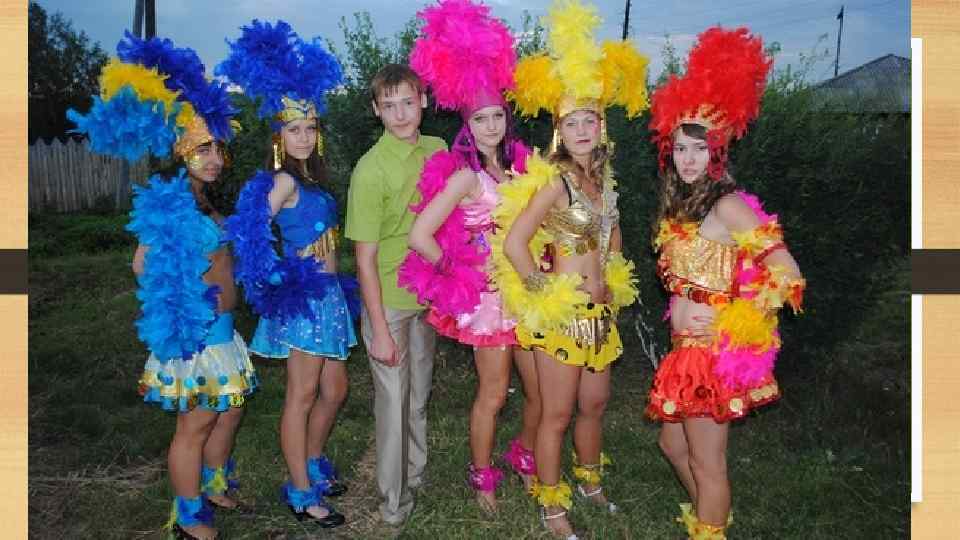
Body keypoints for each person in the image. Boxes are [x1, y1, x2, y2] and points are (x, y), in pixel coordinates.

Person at [70, 33, 255, 540]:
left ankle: (213, 483)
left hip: (223, 330)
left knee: (229, 411)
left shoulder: (209, 203)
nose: (213, 158)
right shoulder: (171, 203)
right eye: (202, 149)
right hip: (196, 335)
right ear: (181, 152)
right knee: (196, 423)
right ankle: (188, 515)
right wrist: (183, 302)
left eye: (217, 148)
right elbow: (141, 264)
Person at [645, 27, 805, 540]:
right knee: (672, 446)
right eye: (681, 149)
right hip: (683, 348)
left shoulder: (727, 205)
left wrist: (738, 321)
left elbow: (787, 272)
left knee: (707, 462)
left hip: (709, 355)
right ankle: (710, 519)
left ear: (717, 152)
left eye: (700, 149)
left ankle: (710, 528)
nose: (688, 159)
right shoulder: (682, 206)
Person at [495, 1, 647, 537]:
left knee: (595, 404)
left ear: (601, 127)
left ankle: (589, 480)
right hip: (563, 318)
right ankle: (551, 502)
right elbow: (515, 243)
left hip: (600, 315)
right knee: (556, 413)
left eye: (590, 120)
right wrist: (543, 289)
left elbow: (613, 238)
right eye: (572, 122)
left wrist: (614, 277)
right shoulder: (556, 182)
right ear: (559, 130)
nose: (582, 129)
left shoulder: (603, 182)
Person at [397, 0, 540, 512]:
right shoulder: (464, 176)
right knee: (495, 393)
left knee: (540, 393)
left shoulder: (522, 167)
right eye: (481, 119)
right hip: (492, 301)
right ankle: (481, 476)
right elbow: (420, 234)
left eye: (497, 116)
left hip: (529, 291)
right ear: (467, 124)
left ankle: (524, 455)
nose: (491, 126)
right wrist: (457, 270)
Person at [217, 20, 354, 529]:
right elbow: (249, 228)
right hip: (305, 301)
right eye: (294, 129)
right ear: (278, 136)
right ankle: (299, 490)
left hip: (330, 297)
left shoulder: (311, 179)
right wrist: (274, 274)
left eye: (310, 128)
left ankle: (313, 461)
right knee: (302, 395)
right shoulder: (281, 181)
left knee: (335, 390)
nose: (303, 137)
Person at [344, 63, 447, 525]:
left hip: (429, 297)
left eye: (408, 102)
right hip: (387, 300)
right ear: (376, 111)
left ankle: (415, 472)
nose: (401, 114)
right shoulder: (370, 170)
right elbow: (363, 259)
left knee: (418, 395)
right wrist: (380, 330)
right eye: (389, 106)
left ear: (423, 100)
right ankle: (393, 501)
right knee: (392, 402)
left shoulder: (438, 149)